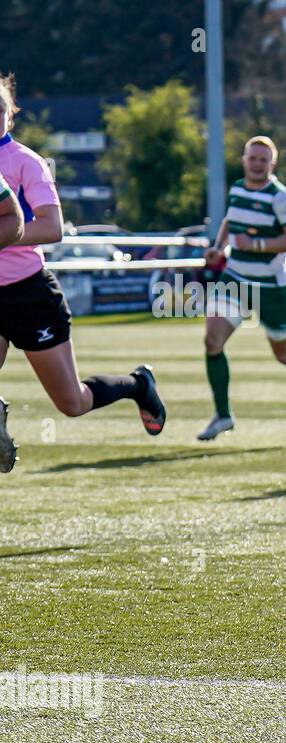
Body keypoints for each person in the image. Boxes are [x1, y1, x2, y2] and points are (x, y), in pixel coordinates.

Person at [0, 76, 165, 475]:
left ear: (11, 115)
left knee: (72, 403)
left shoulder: (26, 161)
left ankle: (138, 384)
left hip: (28, 294)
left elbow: (53, 227)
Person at [198, 136, 286, 441]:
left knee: (284, 354)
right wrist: (219, 248)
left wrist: (257, 244)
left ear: (273, 164)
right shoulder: (238, 188)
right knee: (212, 341)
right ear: (244, 160)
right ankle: (223, 415)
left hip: (270, 287)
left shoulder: (282, 198)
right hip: (235, 279)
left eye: (263, 160)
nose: (256, 164)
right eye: (252, 158)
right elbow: (230, 220)